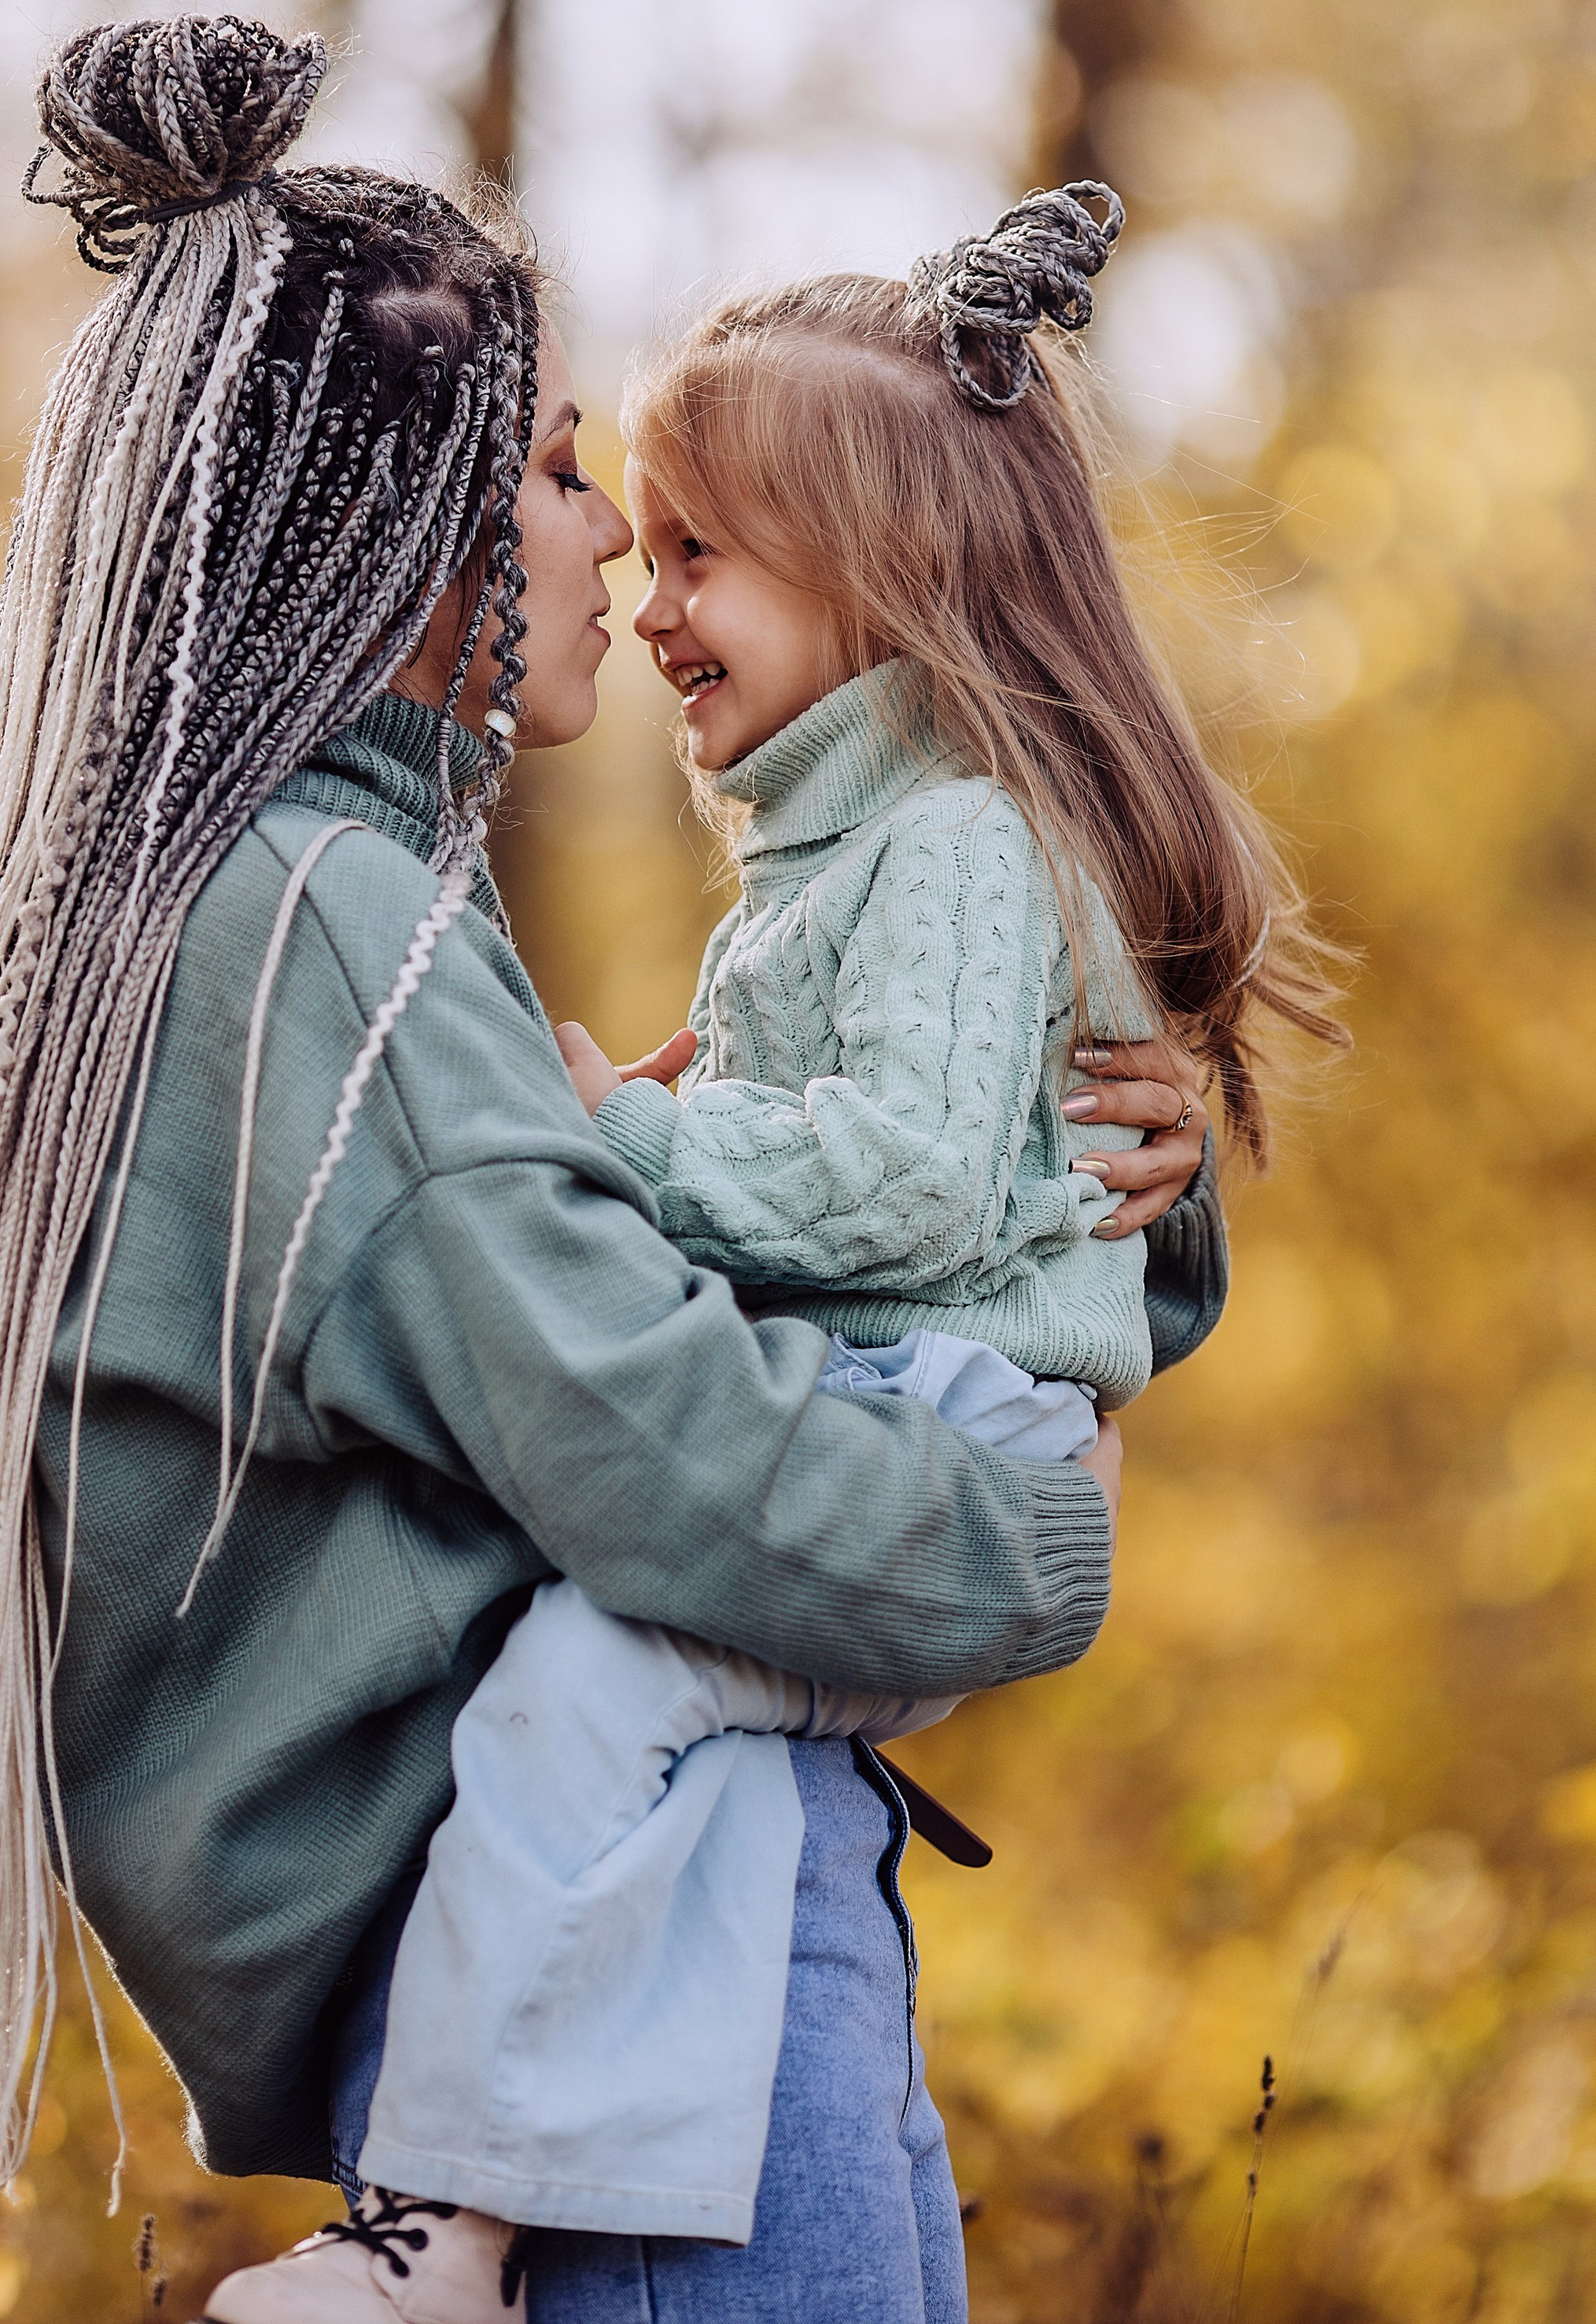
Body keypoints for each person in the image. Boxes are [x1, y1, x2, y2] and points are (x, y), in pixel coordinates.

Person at [0, 17, 1220, 2324]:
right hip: (624, 1969)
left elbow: (630, 1303)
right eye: (560, 475)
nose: (602, 551)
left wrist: (1083, 1158)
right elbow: (646, 1434)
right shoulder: (331, 930)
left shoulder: (262, 894)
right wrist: (1021, 1542)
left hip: (570, 1951)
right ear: (402, 510)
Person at [319, 190, 1339, 2319]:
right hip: (912, 1418)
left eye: (699, 550)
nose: (646, 583)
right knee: (648, 1753)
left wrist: (625, 1133)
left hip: (937, 1426)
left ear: (881, 582)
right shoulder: (850, 846)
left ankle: (437, 2233)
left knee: (583, 1702)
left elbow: (894, 1192)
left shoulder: (954, 839)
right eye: (637, 531)